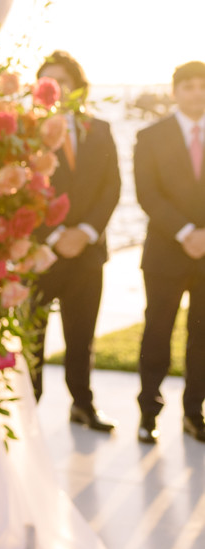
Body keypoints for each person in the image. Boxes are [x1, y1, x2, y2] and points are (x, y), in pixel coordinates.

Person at [30, 51, 120, 431]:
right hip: (39, 253)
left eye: (63, 81)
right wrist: (52, 236)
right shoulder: (24, 132)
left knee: (81, 335)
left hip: (87, 252)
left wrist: (83, 233)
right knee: (32, 336)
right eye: (47, 81)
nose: (55, 88)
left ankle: (82, 403)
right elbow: (21, 193)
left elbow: (111, 187)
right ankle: (28, 409)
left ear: (77, 88)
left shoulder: (99, 129)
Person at [134, 59, 205, 444]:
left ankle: (195, 411)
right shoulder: (150, 136)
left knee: (203, 336)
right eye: (188, 86)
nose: (196, 92)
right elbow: (147, 193)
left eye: (202, 85)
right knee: (157, 333)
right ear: (175, 91)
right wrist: (186, 232)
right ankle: (148, 412)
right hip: (165, 253)